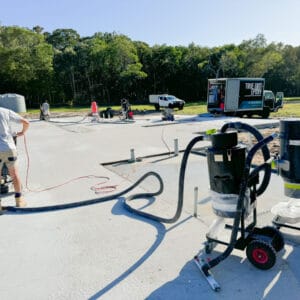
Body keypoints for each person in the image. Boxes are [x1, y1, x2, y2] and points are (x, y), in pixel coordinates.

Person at [0, 107, 29, 208]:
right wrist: (22, 132)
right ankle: (19, 200)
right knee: (14, 174)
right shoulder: (5, 111)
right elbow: (26, 122)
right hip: (8, 147)